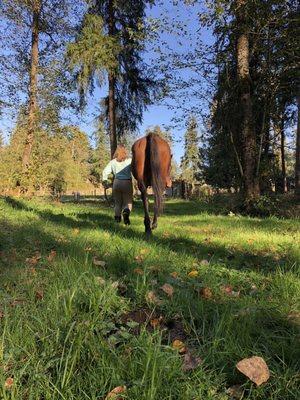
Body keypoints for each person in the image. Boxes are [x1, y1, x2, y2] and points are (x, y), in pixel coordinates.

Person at [102, 145, 133, 225]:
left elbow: (105, 172)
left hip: (117, 183)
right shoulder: (130, 161)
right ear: (125, 152)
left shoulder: (112, 162)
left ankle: (117, 221)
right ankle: (126, 214)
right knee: (128, 202)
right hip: (127, 182)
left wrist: (105, 181)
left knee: (117, 203)